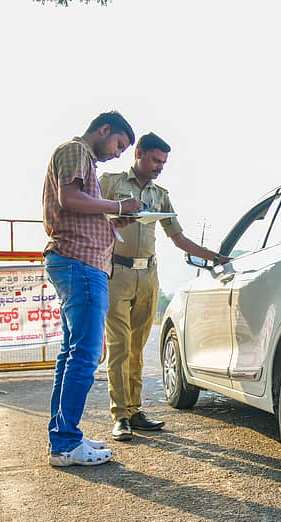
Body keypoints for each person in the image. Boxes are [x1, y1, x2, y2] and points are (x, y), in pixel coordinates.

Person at [99, 132, 227, 441]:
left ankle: (135, 410)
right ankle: (120, 416)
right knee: (118, 345)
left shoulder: (160, 194)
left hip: (148, 274)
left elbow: (178, 237)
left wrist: (214, 256)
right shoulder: (111, 181)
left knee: (137, 347)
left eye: (164, 163)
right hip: (117, 272)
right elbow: (90, 217)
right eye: (155, 160)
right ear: (139, 153)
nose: (159, 167)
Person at [41, 111, 143, 467]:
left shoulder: (84, 160)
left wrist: (114, 219)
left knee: (72, 355)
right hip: (79, 263)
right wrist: (117, 204)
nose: (118, 153)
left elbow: (80, 207)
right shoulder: (75, 151)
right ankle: (66, 443)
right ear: (103, 130)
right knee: (84, 356)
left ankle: (64, 435)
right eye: (119, 144)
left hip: (80, 263)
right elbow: (69, 199)